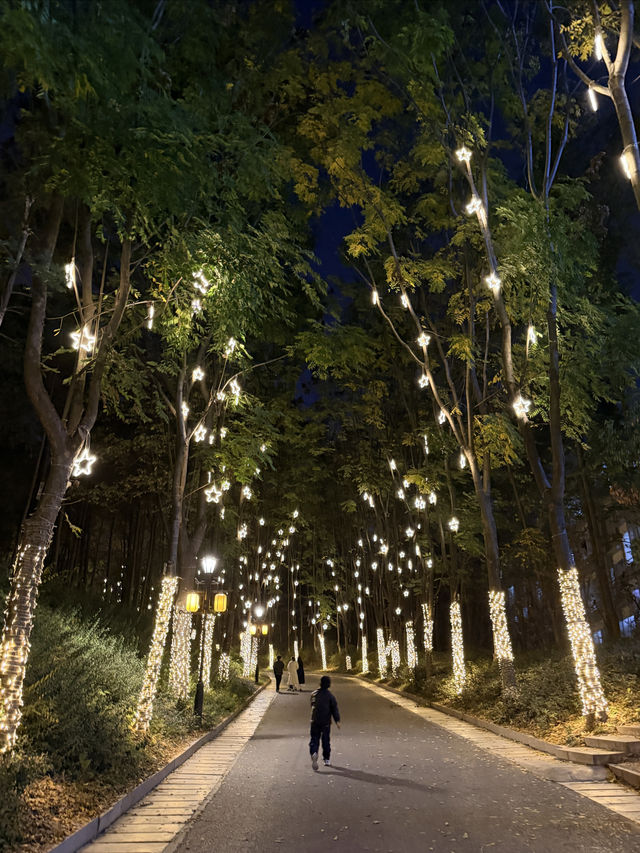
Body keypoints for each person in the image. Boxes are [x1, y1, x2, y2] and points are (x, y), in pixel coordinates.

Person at [309, 675, 340, 769]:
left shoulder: (314, 694)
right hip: (326, 721)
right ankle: (326, 759)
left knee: (314, 739)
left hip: (314, 720)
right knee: (326, 740)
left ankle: (314, 752)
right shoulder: (330, 696)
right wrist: (337, 720)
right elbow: (334, 709)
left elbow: (312, 705)